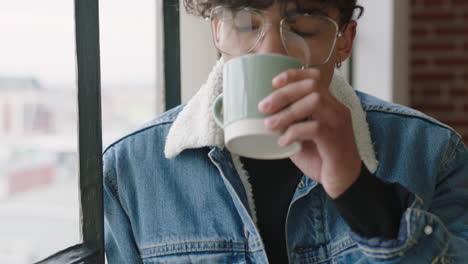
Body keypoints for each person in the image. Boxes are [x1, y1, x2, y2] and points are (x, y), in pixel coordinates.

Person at [103, 0, 468, 263]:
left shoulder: (432, 151)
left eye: (304, 26)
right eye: (246, 24)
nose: (270, 49)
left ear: (344, 39)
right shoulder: (130, 168)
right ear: (218, 30)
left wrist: (357, 189)